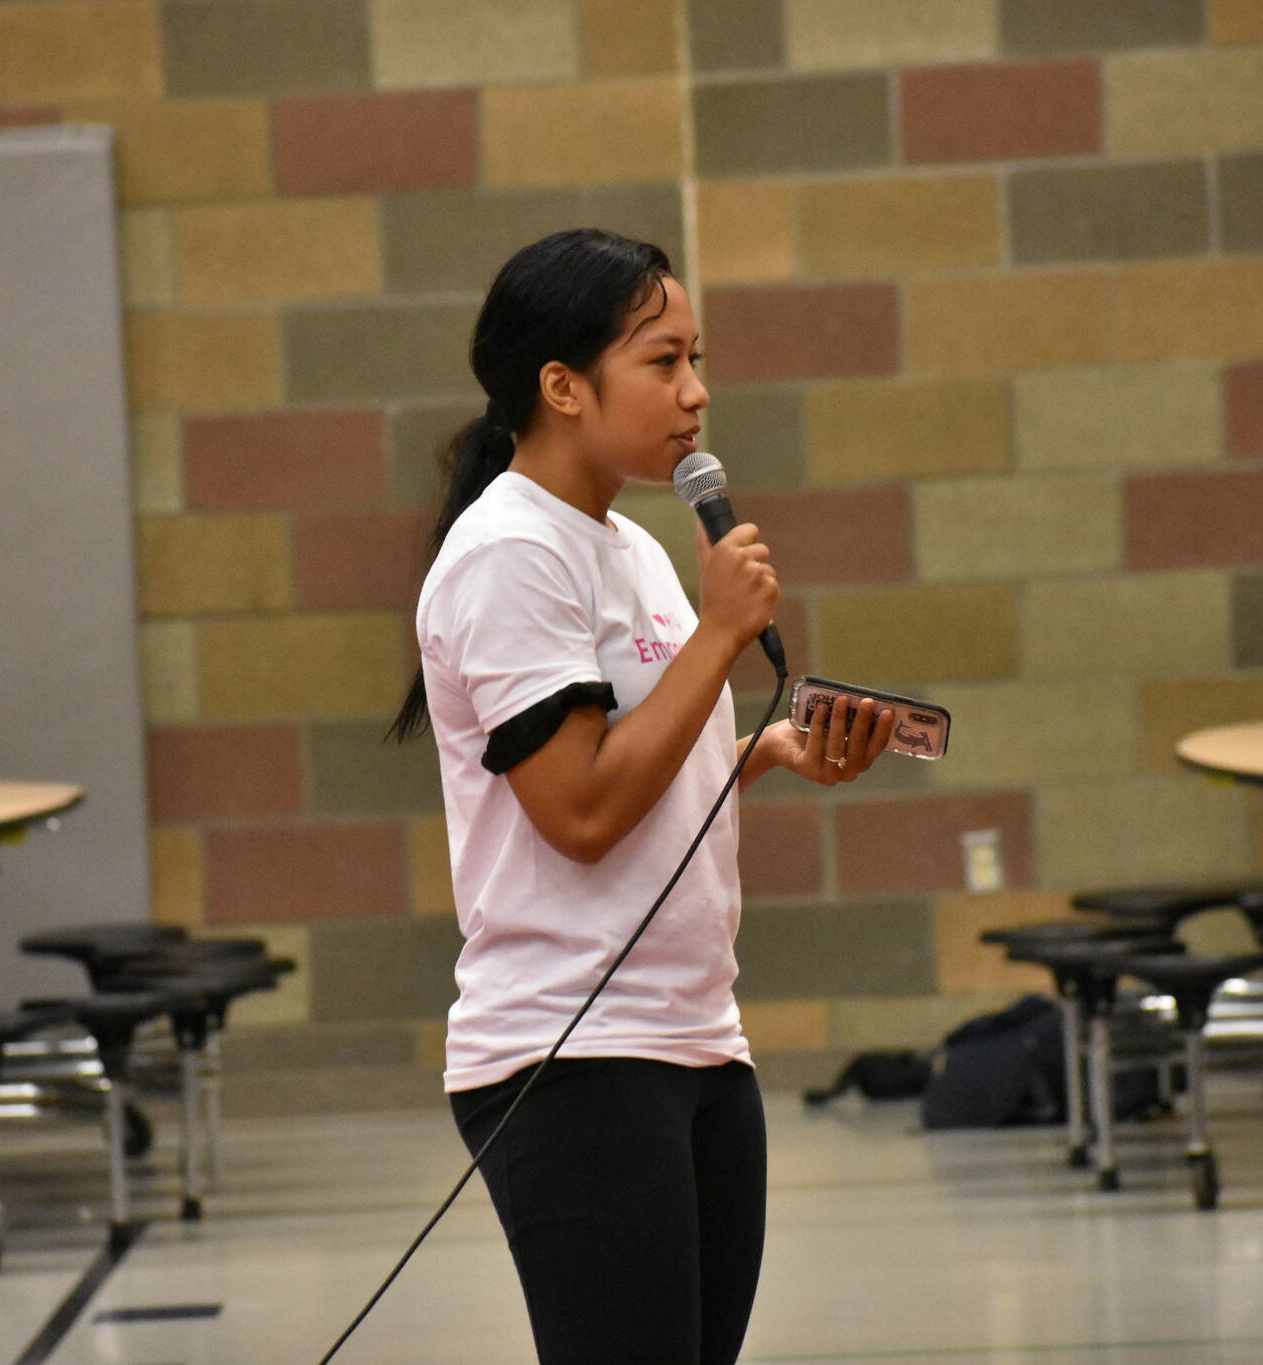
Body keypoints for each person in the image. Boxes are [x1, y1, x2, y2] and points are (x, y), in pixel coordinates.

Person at [389, 227, 897, 1365]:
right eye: (662, 362)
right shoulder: (509, 554)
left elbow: (643, 766)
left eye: (693, 360)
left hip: (695, 1039)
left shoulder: (630, 547)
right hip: (572, 1056)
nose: (695, 392)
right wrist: (718, 634)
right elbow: (578, 813)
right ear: (561, 386)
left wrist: (763, 751)